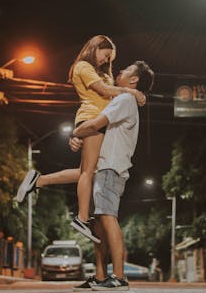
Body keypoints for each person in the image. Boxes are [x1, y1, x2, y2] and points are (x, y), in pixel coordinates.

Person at [17, 35, 145, 244]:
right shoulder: (83, 66)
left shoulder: (103, 72)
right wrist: (131, 91)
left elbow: (111, 96)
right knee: (88, 172)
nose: (106, 61)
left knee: (89, 171)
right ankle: (82, 219)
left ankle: (38, 181)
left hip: (100, 123)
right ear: (95, 48)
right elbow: (103, 91)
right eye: (105, 56)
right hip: (91, 119)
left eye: (109, 59)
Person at [70, 60, 155, 291]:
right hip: (107, 168)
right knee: (99, 225)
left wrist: (75, 132)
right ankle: (100, 276)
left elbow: (97, 123)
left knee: (108, 218)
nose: (120, 71)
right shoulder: (126, 98)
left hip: (111, 168)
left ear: (134, 79)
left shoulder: (125, 99)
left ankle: (119, 277)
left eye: (126, 70)